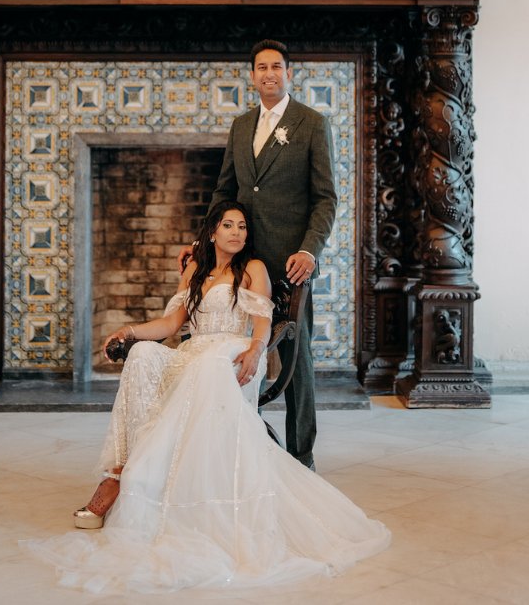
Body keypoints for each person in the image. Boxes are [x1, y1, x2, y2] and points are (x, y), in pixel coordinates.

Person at [28, 201, 388, 594]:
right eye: (228, 225)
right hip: (193, 351)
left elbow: (263, 323)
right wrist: (129, 332)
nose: (237, 233)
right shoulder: (194, 271)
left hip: (232, 357)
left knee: (208, 365)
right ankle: (120, 472)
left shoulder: (253, 269)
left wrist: (255, 349)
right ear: (212, 232)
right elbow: (170, 325)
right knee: (145, 356)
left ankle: (162, 488)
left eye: (242, 227)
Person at [199, 41, 336, 467]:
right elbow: (226, 191)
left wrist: (309, 251)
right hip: (242, 261)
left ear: (288, 73)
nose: (269, 73)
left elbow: (325, 198)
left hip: (290, 263)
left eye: (277, 66)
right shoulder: (241, 126)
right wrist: (207, 239)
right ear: (253, 75)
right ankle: (244, 449)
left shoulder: (311, 123)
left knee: (297, 360)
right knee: (238, 349)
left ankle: (301, 456)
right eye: (262, 67)